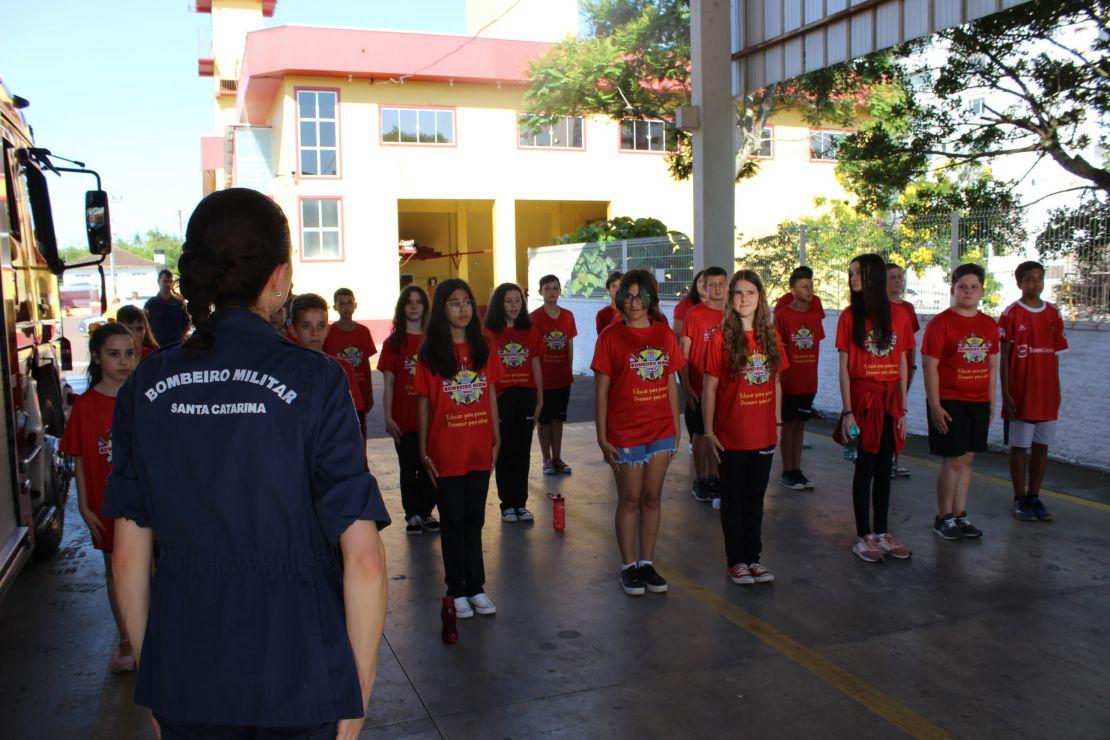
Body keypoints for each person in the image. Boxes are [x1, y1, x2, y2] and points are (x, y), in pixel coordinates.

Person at [105, 188, 389, 739]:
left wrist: (156, 680)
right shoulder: (318, 380)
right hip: (301, 676)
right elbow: (365, 561)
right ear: (279, 277)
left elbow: (127, 559)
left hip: (185, 676)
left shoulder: (146, 384)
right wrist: (357, 690)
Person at [416, 279, 503, 623]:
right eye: (454, 303)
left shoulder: (483, 347)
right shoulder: (430, 354)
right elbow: (424, 403)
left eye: (467, 301)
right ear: (442, 309)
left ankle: (476, 585)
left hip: (479, 447)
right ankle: (456, 588)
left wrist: (496, 438)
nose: (463, 308)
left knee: (474, 519)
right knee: (452, 520)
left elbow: (490, 393)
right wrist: (423, 451)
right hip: (446, 451)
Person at [592, 270, 683, 596]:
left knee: (652, 498)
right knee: (629, 499)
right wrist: (602, 437)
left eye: (639, 296)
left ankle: (647, 562)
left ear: (650, 299)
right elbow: (601, 391)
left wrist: (676, 428)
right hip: (624, 434)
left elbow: (671, 384)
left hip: (660, 430)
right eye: (628, 296)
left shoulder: (664, 334)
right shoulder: (610, 337)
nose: (633, 303)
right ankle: (628, 565)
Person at [60, 322, 137, 672]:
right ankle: (127, 639)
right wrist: (83, 505)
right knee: (116, 570)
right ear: (96, 357)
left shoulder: (143, 399)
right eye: (113, 354)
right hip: (106, 506)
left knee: (149, 569)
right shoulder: (85, 406)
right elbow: (78, 458)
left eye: (129, 353)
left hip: (144, 503)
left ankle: (152, 633)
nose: (123, 361)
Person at [703, 270, 786, 586]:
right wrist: (709, 432)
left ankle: (754, 559)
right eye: (738, 292)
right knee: (733, 499)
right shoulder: (720, 338)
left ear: (760, 298)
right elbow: (710, 387)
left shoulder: (771, 337)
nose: (744, 298)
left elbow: (776, 382)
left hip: (763, 434)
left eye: (751, 293)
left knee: (755, 499)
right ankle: (736, 561)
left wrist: (777, 422)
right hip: (731, 436)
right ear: (730, 298)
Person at [836, 253, 915, 563]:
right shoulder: (849, 316)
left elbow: (902, 363)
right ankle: (864, 535)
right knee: (865, 467)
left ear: (874, 276)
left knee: (885, 467)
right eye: (851, 272)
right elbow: (844, 368)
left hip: (890, 400)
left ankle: (883, 532)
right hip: (863, 399)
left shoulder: (900, 315)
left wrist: (903, 409)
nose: (853, 278)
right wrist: (848, 411)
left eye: (858, 272)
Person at [922, 263, 999, 540]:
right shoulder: (940, 323)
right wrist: (935, 405)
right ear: (953, 290)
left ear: (982, 291)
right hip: (950, 402)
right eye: (963, 286)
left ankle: (959, 514)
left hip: (978, 402)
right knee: (953, 460)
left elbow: (992, 366)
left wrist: (991, 402)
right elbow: (930, 366)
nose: (968, 291)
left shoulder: (989, 325)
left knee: (967, 459)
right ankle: (944, 517)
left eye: (974, 287)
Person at [999, 260, 1067, 522]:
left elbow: (1056, 355)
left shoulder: (1053, 313)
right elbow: (1005, 359)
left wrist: (1056, 389)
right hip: (1021, 393)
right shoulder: (1011, 314)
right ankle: (1020, 498)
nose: (1035, 284)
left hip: (1046, 394)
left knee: (1041, 447)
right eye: (1029, 279)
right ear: (1019, 283)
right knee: (1019, 447)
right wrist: (1006, 393)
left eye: (1039, 278)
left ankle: (1035, 496)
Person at [379, 286, 440, 535]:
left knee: (430, 467)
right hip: (404, 418)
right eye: (409, 302)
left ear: (425, 307)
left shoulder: (435, 341)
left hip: (432, 419)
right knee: (409, 468)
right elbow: (389, 383)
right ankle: (412, 514)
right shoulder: (393, 343)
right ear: (402, 308)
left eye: (418, 302)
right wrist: (388, 417)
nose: (414, 306)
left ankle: (426, 511)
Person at [485, 283, 544, 523]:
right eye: (508, 301)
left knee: (522, 451)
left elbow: (536, 364)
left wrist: (540, 398)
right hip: (501, 397)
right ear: (499, 304)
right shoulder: (489, 333)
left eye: (517, 301)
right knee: (505, 450)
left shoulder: (530, 330)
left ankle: (520, 503)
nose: (513, 306)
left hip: (526, 396)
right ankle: (507, 504)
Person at [679, 265, 728, 505]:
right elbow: (684, 354)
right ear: (704, 287)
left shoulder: (732, 314)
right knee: (700, 435)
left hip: (724, 390)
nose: (717, 289)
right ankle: (700, 480)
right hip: (699, 389)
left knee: (718, 435)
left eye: (721, 284)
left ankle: (716, 479)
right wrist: (686, 387)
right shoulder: (694, 314)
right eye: (712, 285)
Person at [773, 266, 824, 491]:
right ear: (793, 290)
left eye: (810, 285)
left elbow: (815, 343)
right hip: (789, 381)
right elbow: (777, 347)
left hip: (808, 381)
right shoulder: (783, 315)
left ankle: (797, 469)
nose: (809, 290)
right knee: (789, 426)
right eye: (804, 286)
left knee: (801, 425)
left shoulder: (814, 315)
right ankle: (787, 470)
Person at [531, 275, 577, 476]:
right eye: (547, 288)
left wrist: (568, 369)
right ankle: (546, 459)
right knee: (544, 420)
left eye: (555, 288)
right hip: (542, 380)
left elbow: (569, 344)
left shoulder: (568, 316)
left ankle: (557, 458)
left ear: (560, 291)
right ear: (540, 292)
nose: (551, 292)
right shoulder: (533, 318)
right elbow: (532, 351)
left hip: (562, 379)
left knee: (558, 419)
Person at [290, 293, 366, 414]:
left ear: (327, 329)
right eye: (306, 326)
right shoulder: (286, 369)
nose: (315, 333)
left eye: (321, 326)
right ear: (293, 330)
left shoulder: (342, 368)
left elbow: (355, 413)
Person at [324, 288, 378, 439]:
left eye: (349, 303)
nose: (346, 307)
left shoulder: (364, 332)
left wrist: (369, 393)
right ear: (335, 307)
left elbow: (366, 365)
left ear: (355, 305)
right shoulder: (328, 332)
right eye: (341, 303)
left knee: (360, 433)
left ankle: (361, 455)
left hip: (360, 393)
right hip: (338, 392)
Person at [886, 262, 921, 478]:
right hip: (885, 369)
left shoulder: (907, 308)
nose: (897, 281)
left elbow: (910, 342)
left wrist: (912, 365)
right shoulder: (880, 307)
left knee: (900, 412)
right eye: (892, 277)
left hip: (904, 369)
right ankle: (883, 458)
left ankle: (896, 457)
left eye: (900, 277)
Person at [143, 269, 191, 346]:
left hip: (176, 345)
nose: (168, 284)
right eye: (165, 281)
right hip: (157, 346)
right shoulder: (150, 304)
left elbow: (187, 322)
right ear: (158, 282)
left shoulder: (180, 303)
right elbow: (144, 324)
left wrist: (182, 335)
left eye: (170, 281)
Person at [672, 269, 705, 341]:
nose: (704, 285)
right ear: (695, 285)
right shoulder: (685, 305)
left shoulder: (722, 304)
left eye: (707, 282)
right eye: (700, 281)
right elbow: (677, 334)